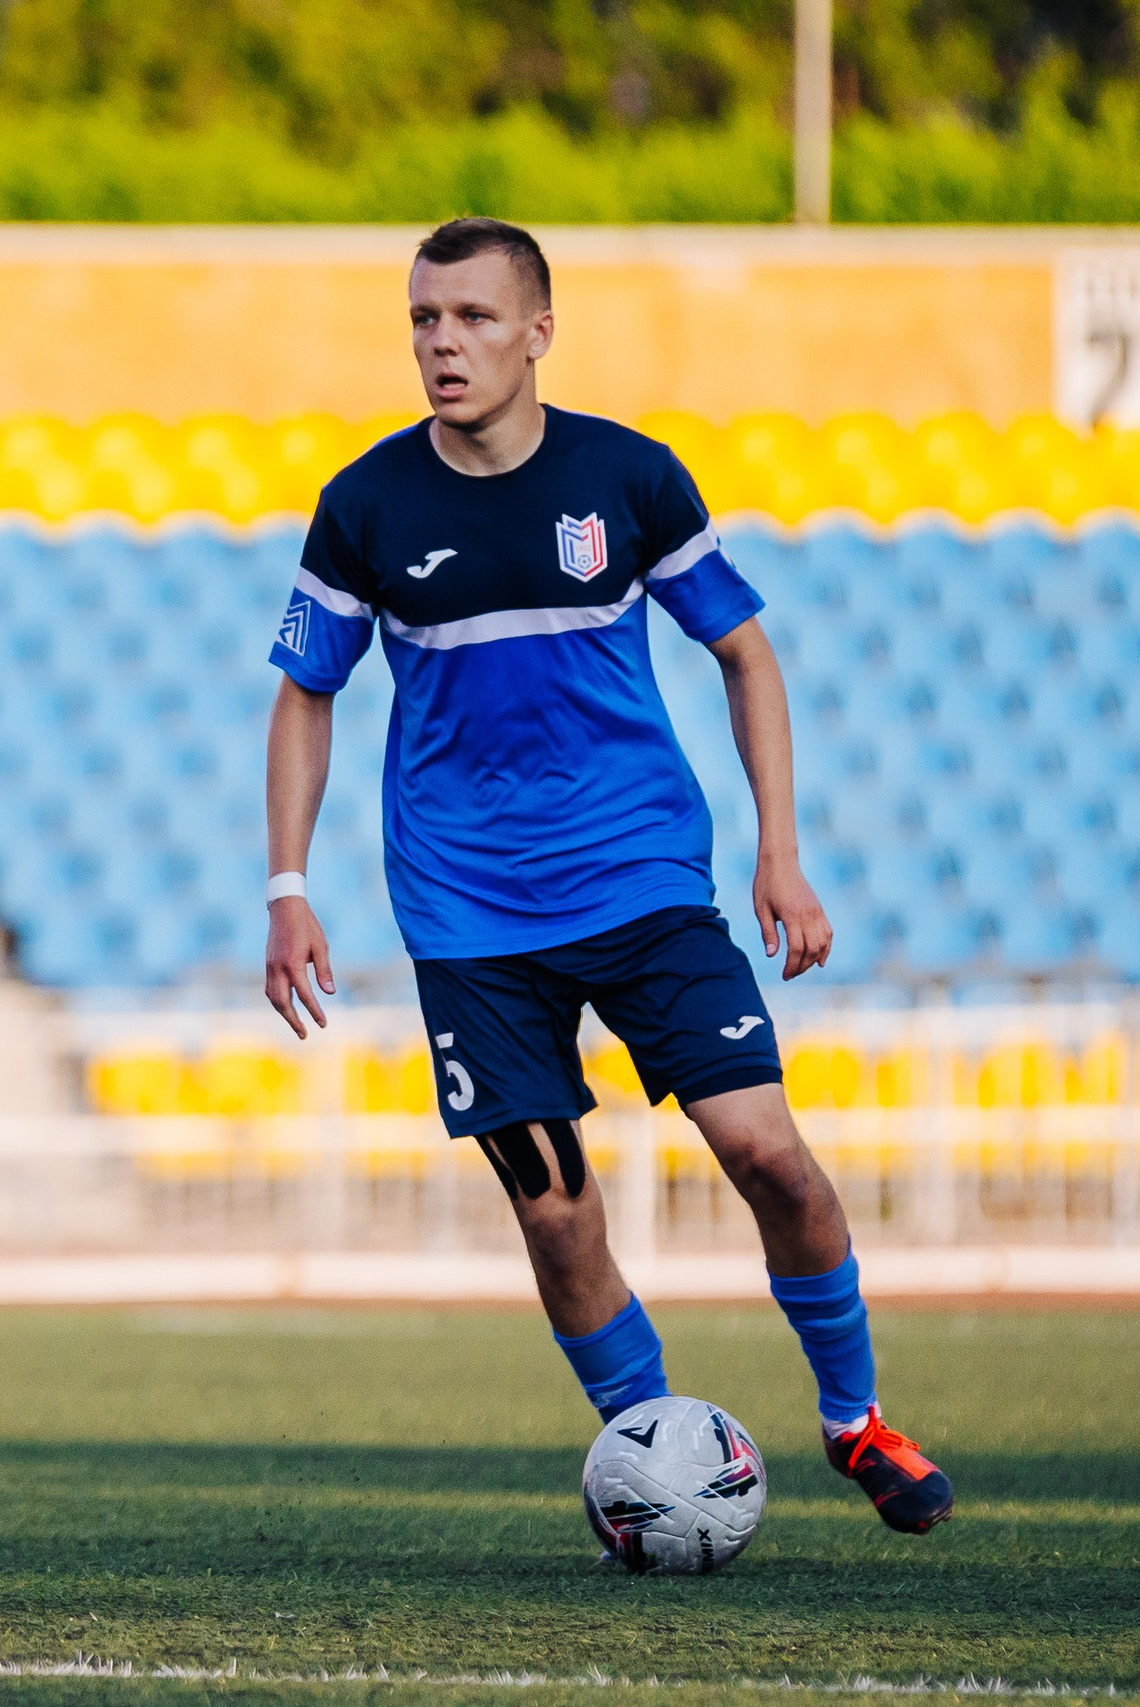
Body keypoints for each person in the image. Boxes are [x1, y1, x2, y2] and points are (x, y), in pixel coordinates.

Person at [261, 217, 952, 1537]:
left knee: (770, 1157)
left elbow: (746, 654)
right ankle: (661, 1456)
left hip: (645, 889)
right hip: (470, 922)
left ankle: (856, 1423)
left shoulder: (628, 479)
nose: (441, 344)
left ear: (538, 331)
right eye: (422, 319)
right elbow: (305, 693)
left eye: (469, 317)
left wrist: (780, 851)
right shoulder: (364, 506)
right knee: (558, 1215)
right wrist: (285, 886)